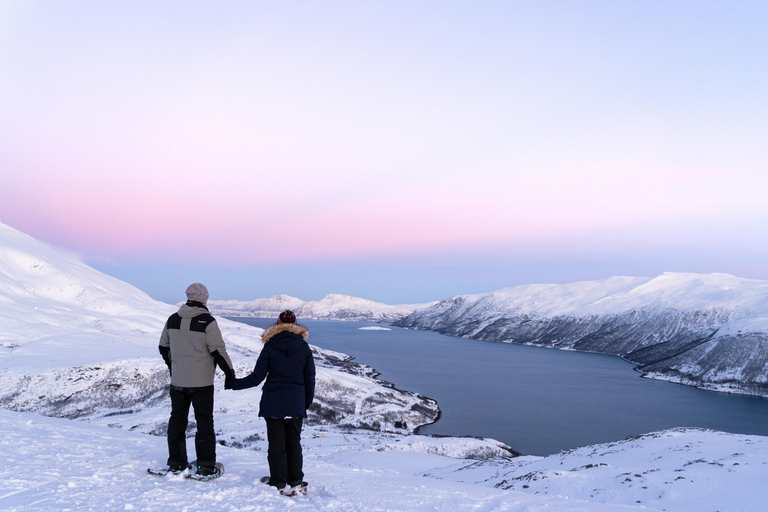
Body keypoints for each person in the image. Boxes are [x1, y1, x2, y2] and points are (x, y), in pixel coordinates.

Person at [228, 310, 316, 495]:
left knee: (276, 444)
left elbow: (256, 377)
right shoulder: (304, 347)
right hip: (296, 403)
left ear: (277, 324)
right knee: (294, 442)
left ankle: (279, 482)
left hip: (273, 403)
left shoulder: (270, 346)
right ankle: (297, 481)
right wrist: (305, 403)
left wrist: (233, 384)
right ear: (296, 325)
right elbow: (310, 379)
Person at [158, 282, 235, 477]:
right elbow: (218, 350)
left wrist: (173, 367)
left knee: (177, 422)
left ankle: (176, 463)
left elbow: (163, 347)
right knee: (204, 424)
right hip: (202, 383)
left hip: (178, 382)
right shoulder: (208, 322)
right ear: (204, 299)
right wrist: (230, 374)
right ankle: (206, 465)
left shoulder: (172, 320)